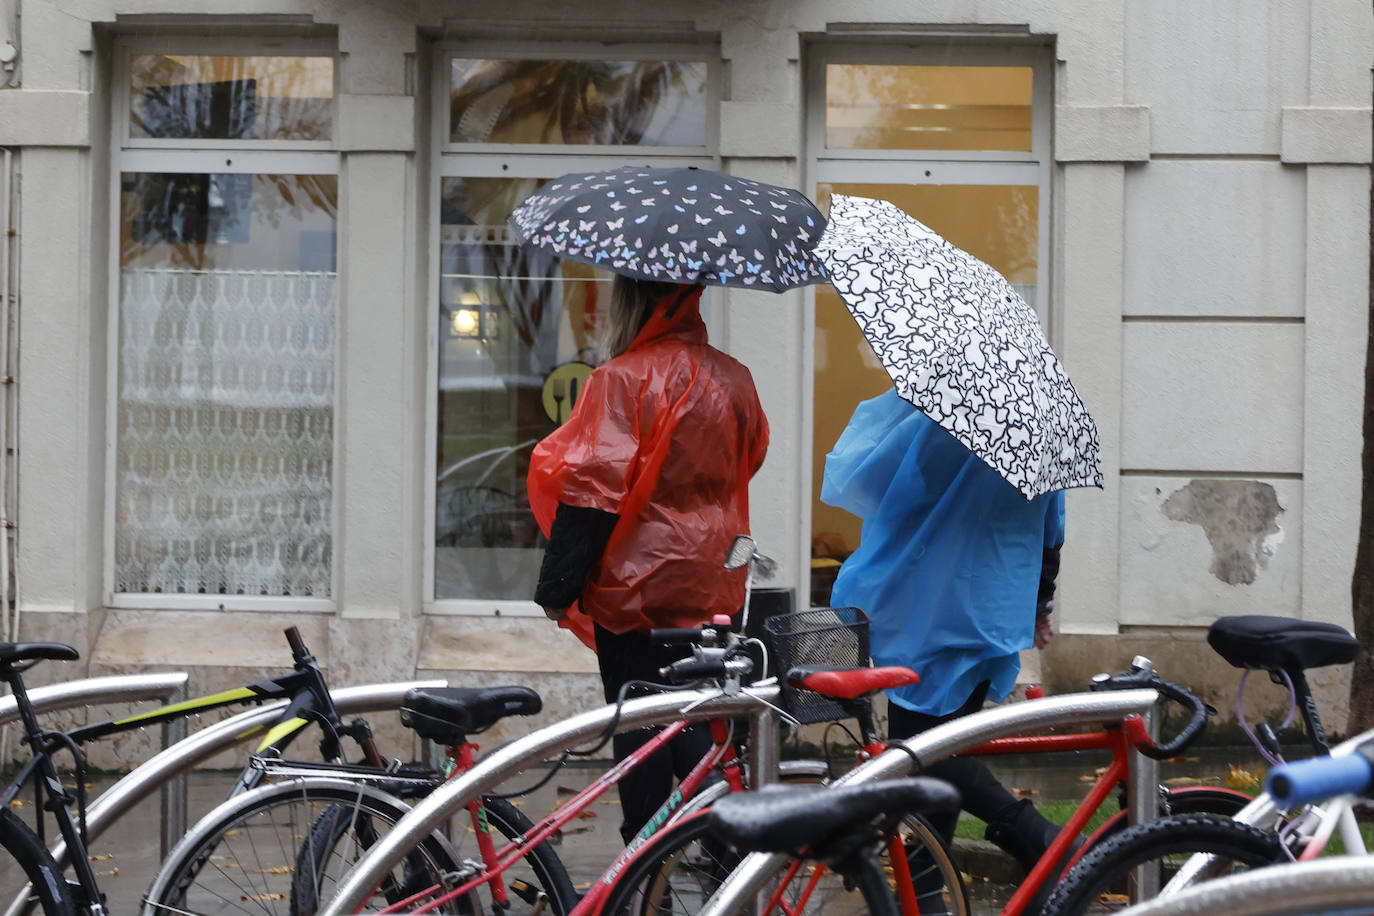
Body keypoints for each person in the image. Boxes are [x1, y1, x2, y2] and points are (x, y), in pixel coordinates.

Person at [528, 276, 769, 843]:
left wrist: (558, 586)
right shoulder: (735, 379)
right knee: (697, 714)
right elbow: (751, 456)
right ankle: (726, 834)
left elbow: (591, 487)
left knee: (640, 719)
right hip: (716, 578)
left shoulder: (621, 379)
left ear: (635, 300)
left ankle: (643, 860)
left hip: (637, 587)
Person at [821, 388, 1070, 884]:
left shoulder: (929, 418)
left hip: (921, 613)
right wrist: (1039, 604)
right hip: (988, 616)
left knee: (921, 751)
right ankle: (928, 887)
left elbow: (864, 479)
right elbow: (1050, 530)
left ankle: (1032, 835)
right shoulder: (1033, 434)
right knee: (941, 753)